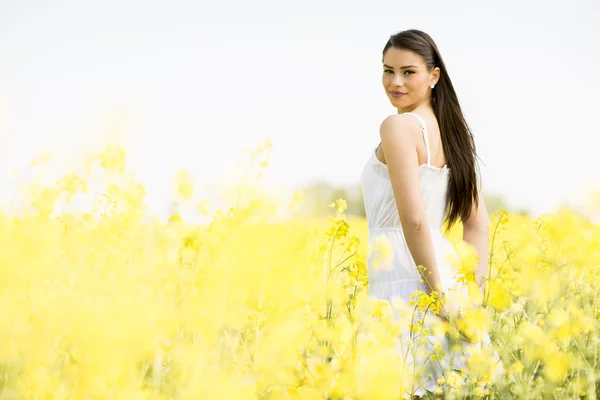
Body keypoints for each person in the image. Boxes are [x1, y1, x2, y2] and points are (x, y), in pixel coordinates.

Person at [359, 29, 503, 399]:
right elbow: (478, 225)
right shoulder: (452, 134)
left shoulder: (398, 126)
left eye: (409, 72)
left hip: (408, 278)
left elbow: (417, 220)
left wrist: (437, 297)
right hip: (445, 274)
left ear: (434, 76)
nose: (395, 82)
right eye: (387, 70)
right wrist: (471, 297)